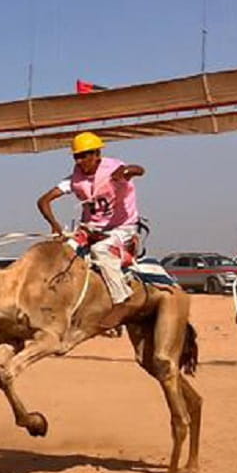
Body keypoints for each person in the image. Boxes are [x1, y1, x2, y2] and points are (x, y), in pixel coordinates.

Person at [37, 131, 146, 336]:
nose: (80, 160)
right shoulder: (74, 180)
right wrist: (55, 225)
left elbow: (140, 170)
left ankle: (122, 300)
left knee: (100, 252)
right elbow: (43, 200)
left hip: (122, 228)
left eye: (84, 155)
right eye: (76, 156)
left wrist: (128, 171)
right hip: (91, 229)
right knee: (59, 255)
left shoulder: (116, 170)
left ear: (97, 154)